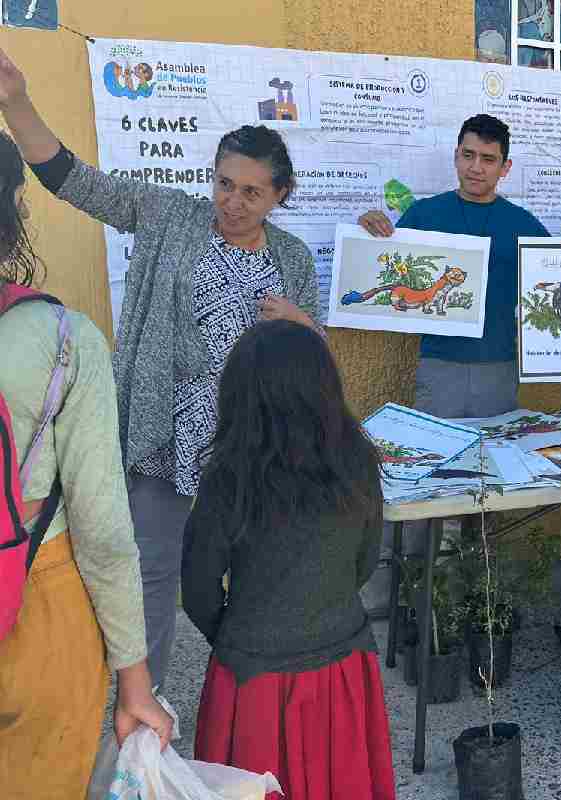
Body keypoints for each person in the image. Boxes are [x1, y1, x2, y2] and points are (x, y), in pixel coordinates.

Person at [0, 47, 321, 688]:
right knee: (150, 571)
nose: (232, 201)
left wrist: (301, 324)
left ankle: (249, 697)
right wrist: (16, 102)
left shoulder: (292, 258)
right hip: (165, 435)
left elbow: (313, 357)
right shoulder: (169, 215)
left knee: (255, 570)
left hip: (252, 443)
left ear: (279, 195)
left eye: (252, 192)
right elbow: (71, 178)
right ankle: (144, 705)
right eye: (224, 183)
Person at [0, 131, 172, 796]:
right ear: (12, 212)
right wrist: (135, 680)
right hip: (35, 597)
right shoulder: (64, 340)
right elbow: (102, 531)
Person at [357, 113, 561, 559]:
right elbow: (383, 263)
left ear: (505, 167)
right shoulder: (424, 214)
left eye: (488, 159)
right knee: (428, 477)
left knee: (489, 481)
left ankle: (477, 578)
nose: (476, 167)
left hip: (499, 371)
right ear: (456, 156)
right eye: (468, 155)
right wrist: (371, 229)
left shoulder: (523, 224)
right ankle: (415, 576)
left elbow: (559, 276)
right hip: (439, 369)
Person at [183, 320, 393, 800]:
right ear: (326, 389)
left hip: (251, 677)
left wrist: (240, 631)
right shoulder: (358, 463)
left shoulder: (228, 477)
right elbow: (364, 562)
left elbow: (197, 590)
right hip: (342, 661)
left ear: (239, 396)